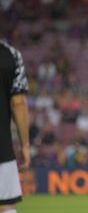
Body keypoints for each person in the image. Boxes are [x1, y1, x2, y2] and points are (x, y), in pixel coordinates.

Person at [0, 40, 30, 213]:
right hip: (2, 148)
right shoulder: (10, 55)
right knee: (6, 205)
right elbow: (18, 103)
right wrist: (25, 145)